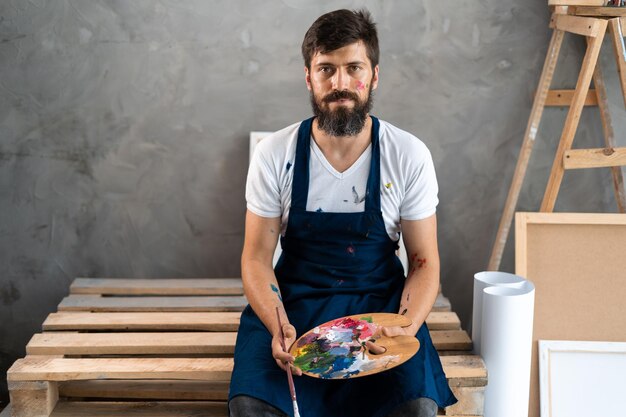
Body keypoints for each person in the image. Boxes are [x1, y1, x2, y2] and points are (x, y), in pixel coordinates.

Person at [228, 8, 457, 417]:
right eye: (326, 70)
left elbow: (424, 263)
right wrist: (277, 323)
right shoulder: (274, 155)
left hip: (380, 309)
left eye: (353, 67)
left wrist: (402, 330)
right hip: (294, 307)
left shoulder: (407, 155)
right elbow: (256, 258)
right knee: (251, 407)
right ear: (308, 76)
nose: (340, 84)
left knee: (416, 407)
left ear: (374, 75)